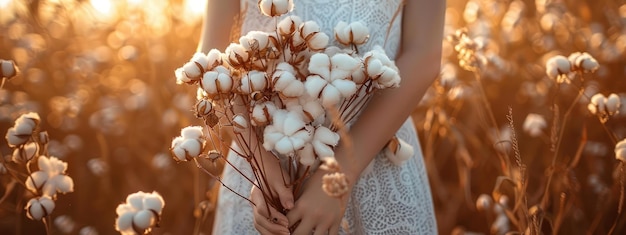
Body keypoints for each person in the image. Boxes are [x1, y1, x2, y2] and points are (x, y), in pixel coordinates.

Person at [198, 0, 446, 234]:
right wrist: (260, 163)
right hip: (261, 176)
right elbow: (211, 58)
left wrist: (341, 172)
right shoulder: (260, 167)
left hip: (372, 158)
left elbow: (424, 55)